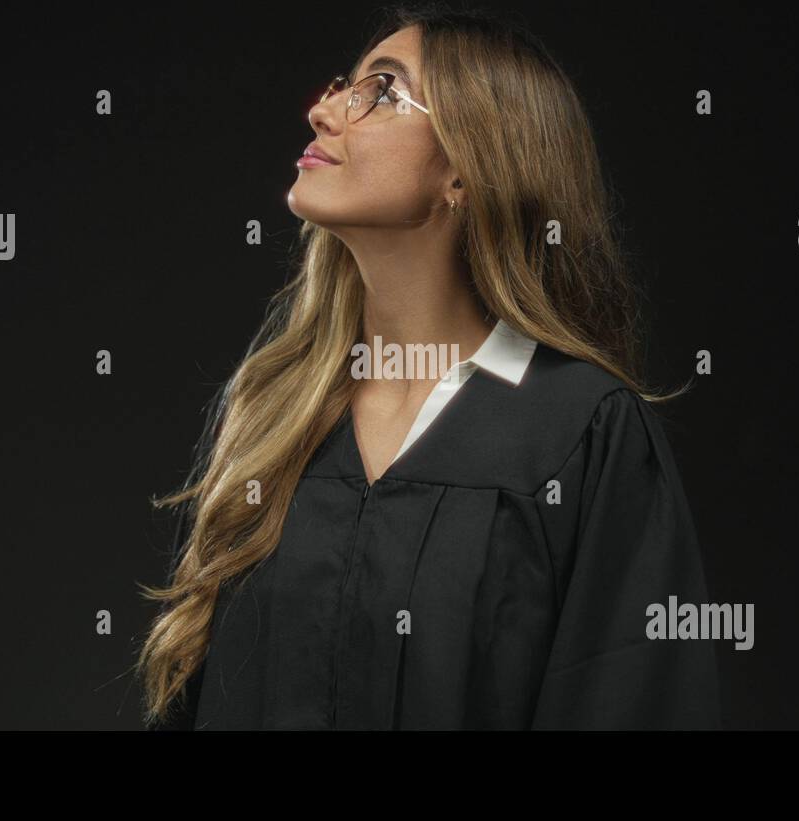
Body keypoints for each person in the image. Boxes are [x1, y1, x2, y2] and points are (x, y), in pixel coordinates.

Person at [138, 3, 721, 730]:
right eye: (341, 85)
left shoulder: (579, 435)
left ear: (466, 171)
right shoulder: (272, 413)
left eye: (380, 91)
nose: (323, 110)